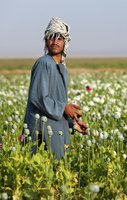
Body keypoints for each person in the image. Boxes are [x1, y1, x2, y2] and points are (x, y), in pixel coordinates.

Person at [23, 17, 88, 159]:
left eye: (59, 38)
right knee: (41, 171)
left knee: (59, 170)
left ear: (65, 42)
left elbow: (58, 100)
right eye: (51, 38)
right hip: (40, 129)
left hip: (56, 128)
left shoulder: (62, 68)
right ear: (46, 41)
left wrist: (73, 122)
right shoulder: (43, 63)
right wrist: (65, 108)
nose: (55, 42)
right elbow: (38, 98)